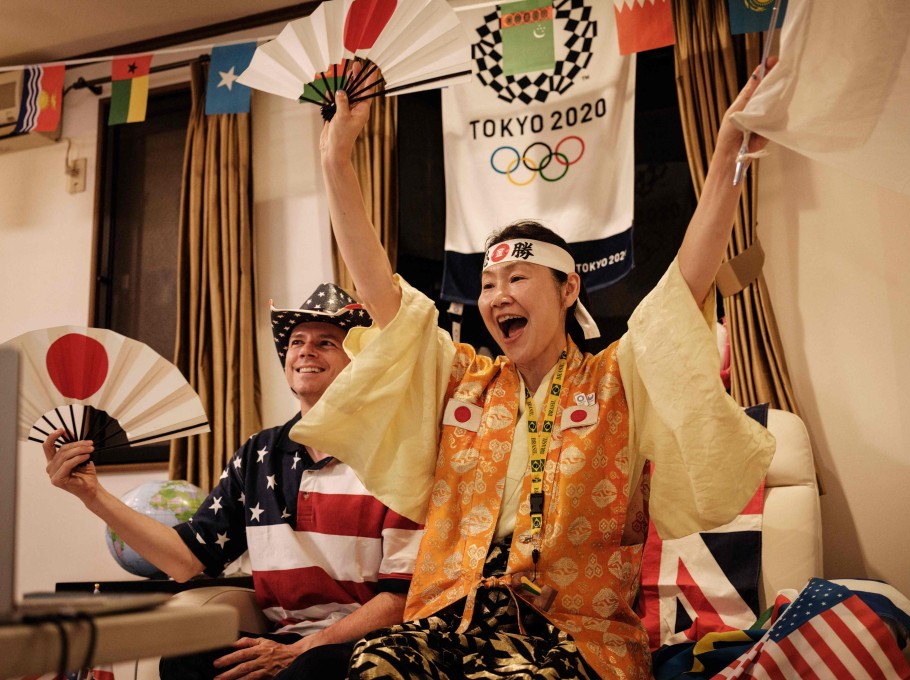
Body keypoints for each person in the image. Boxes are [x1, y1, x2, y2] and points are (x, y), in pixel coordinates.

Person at [294, 61, 779, 679]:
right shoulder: (461, 380)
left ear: (568, 288)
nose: (497, 296)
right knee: (364, 668)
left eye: (518, 278)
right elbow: (382, 295)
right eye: (489, 283)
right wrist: (336, 160)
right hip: (450, 620)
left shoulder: (615, 381)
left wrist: (726, 160)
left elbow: (686, 283)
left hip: (572, 636)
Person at [43, 284, 423, 680]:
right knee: (183, 659)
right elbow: (184, 561)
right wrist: (92, 495)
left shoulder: (394, 451)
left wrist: (301, 650)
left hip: (372, 643)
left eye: (326, 342)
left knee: (310, 669)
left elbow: (400, 599)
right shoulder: (258, 453)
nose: (305, 351)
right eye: (297, 342)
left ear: (361, 361)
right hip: (286, 639)